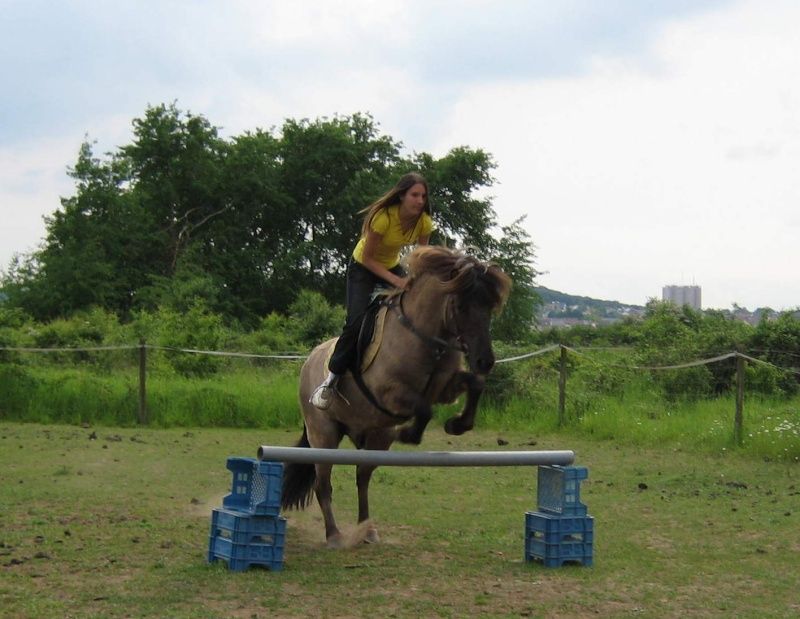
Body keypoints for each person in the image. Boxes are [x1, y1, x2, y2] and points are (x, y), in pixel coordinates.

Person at [310, 172, 434, 409]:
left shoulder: (424, 222)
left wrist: (415, 280)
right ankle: (331, 380)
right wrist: (397, 281)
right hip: (363, 268)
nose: (420, 201)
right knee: (356, 322)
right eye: (415, 195)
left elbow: (420, 258)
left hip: (391, 266)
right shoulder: (382, 218)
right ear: (401, 196)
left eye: (423, 196)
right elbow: (368, 259)